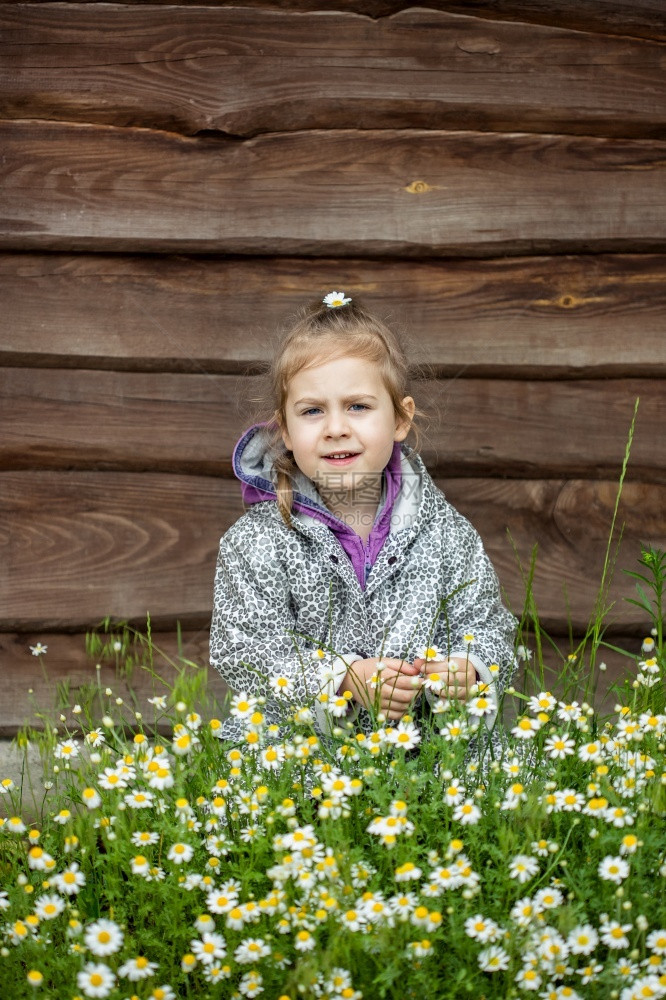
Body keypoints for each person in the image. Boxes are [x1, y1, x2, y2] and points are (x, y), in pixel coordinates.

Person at [210, 292, 516, 748]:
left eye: (358, 406)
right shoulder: (256, 543)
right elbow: (243, 649)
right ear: (286, 430)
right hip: (298, 761)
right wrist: (343, 678)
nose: (336, 427)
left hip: (425, 763)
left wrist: (468, 667)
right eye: (313, 411)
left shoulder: (446, 533)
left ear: (400, 419)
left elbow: (490, 626)